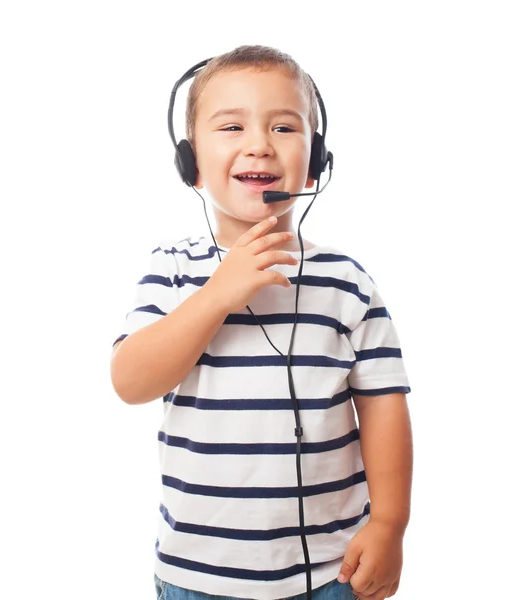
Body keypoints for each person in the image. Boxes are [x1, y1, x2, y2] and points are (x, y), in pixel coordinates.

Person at [110, 45, 413, 600]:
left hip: (329, 570)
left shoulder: (347, 282)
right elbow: (131, 382)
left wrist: (390, 524)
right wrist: (217, 294)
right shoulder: (174, 270)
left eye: (283, 126)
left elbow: (383, 405)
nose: (259, 144)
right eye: (231, 126)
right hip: (197, 575)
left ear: (316, 158)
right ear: (191, 163)